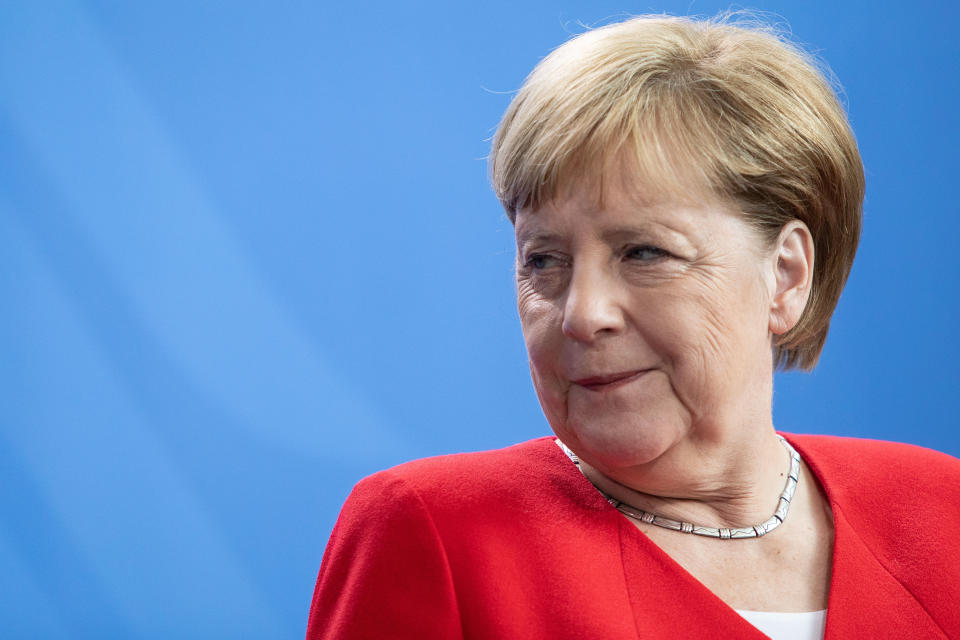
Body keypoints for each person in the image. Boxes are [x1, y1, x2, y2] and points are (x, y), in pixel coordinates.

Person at [305, 14, 960, 639]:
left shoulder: (940, 508)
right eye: (544, 260)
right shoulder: (436, 535)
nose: (582, 313)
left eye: (643, 252)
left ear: (785, 276)